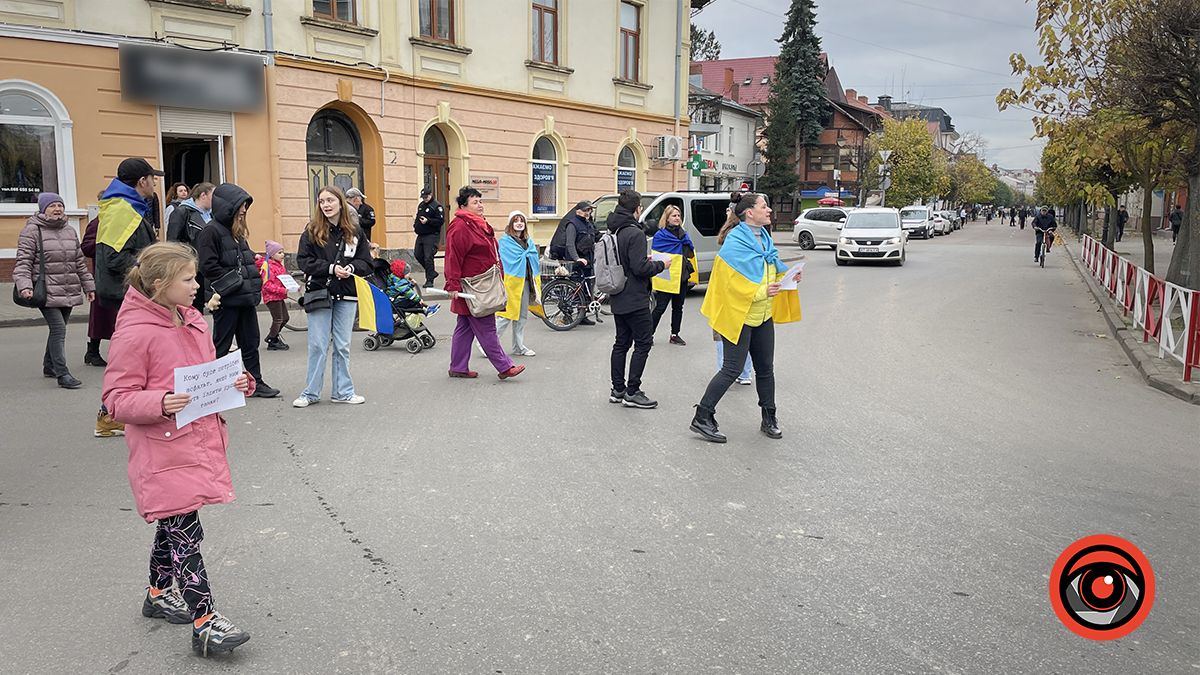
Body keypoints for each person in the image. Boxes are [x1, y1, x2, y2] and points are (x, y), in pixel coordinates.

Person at [102, 242, 253, 657]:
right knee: (186, 532)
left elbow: (206, 376)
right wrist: (159, 402)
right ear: (158, 283)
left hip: (197, 441)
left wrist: (238, 383)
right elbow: (115, 399)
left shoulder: (192, 321)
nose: (196, 285)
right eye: (187, 278)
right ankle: (206, 622)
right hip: (162, 450)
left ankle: (156, 594)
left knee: (174, 525)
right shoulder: (134, 333)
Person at [690, 193, 802, 443]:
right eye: (764, 206)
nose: (770, 210)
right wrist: (764, 290)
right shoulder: (735, 242)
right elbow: (729, 285)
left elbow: (768, 268)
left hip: (763, 315)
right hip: (739, 315)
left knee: (765, 369)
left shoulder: (763, 237)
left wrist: (787, 277)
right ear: (749, 212)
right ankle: (702, 416)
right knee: (731, 369)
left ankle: (769, 418)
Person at [94, 157, 164, 438]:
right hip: (127, 294)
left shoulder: (128, 206)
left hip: (131, 292)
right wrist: (150, 270)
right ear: (141, 182)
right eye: (152, 178)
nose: (155, 183)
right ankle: (109, 415)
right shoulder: (123, 210)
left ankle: (117, 413)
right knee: (131, 358)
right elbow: (114, 258)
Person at [194, 184, 279, 399]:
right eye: (240, 206)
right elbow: (207, 265)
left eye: (245, 206)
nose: (243, 210)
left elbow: (242, 256)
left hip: (245, 298)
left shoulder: (237, 232)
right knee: (221, 344)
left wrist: (254, 260)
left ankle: (255, 382)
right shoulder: (210, 231)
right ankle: (216, 386)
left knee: (250, 342)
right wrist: (236, 279)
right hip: (227, 297)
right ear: (227, 207)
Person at [294, 186, 374, 407]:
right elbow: (303, 261)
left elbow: (367, 262)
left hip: (346, 294)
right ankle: (310, 393)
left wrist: (350, 268)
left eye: (330, 200)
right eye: (321, 201)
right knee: (318, 345)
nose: (326, 205)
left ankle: (343, 391)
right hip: (320, 292)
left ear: (340, 203)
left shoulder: (355, 232)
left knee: (343, 345)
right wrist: (331, 268)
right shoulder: (311, 230)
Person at [14, 192, 95, 389]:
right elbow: (23, 262)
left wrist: (89, 286)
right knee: (58, 329)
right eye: (52, 206)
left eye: (60, 205)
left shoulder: (69, 230)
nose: (57, 209)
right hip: (45, 290)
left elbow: (79, 262)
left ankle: (49, 365)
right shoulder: (32, 231)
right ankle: (62, 373)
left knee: (58, 329)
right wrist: (24, 286)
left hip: (69, 287)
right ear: (43, 209)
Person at [443, 186, 525, 380]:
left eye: (481, 201)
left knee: (464, 326)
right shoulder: (460, 226)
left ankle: (458, 367)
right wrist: (453, 285)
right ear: (464, 206)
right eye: (475, 202)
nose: (480, 205)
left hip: (482, 282)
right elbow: (453, 257)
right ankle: (505, 367)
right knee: (487, 328)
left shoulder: (477, 224)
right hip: (474, 287)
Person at [606, 190, 666, 409]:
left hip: (617, 292)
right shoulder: (635, 232)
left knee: (621, 343)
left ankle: (617, 389)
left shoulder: (614, 229)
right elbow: (639, 268)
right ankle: (632, 391)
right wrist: (660, 265)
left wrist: (642, 259)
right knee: (643, 343)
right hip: (635, 297)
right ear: (637, 208)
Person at [494, 210, 541, 357]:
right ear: (511, 224)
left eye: (522, 220)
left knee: (522, 316)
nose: (519, 223)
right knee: (507, 315)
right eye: (516, 220)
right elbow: (506, 262)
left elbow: (533, 258)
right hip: (511, 283)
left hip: (527, 282)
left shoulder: (529, 241)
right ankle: (488, 344)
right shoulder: (505, 241)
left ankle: (518, 347)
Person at [80, 201, 118, 371]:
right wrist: (104, 244)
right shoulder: (97, 223)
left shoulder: (124, 221)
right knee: (101, 315)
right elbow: (86, 247)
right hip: (103, 275)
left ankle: (119, 354)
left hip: (121, 275)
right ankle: (92, 351)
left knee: (119, 318)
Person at [649, 204, 695, 346]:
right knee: (660, 307)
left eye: (678, 215)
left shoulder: (683, 234)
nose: (677, 218)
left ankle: (675, 334)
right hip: (667, 275)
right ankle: (648, 334)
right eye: (674, 216)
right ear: (667, 218)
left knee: (678, 307)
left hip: (681, 274)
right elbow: (657, 255)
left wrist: (686, 244)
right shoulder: (660, 235)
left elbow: (689, 252)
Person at [549, 200, 599, 325]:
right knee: (575, 288)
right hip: (576, 261)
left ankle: (582, 316)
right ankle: (568, 315)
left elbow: (595, 237)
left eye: (590, 210)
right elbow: (570, 244)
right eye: (586, 210)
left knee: (586, 286)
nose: (588, 212)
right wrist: (577, 259)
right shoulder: (572, 224)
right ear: (578, 211)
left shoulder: (588, 224)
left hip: (587, 260)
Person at [257, 240, 290, 351]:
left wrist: (292, 285)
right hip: (272, 297)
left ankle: (272, 336)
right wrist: (282, 290)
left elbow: (284, 279)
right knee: (278, 319)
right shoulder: (268, 267)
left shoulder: (279, 266)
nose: (283, 255)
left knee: (285, 318)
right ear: (272, 255)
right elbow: (266, 285)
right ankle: (272, 340)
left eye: (283, 252)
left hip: (279, 296)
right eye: (279, 252)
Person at [413, 187, 445, 288]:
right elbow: (419, 216)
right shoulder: (422, 205)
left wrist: (428, 221)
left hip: (431, 235)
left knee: (428, 257)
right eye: (423, 197)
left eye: (426, 197)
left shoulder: (436, 206)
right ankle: (431, 272)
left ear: (431, 195)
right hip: (421, 234)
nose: (425, 199)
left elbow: (440, 221)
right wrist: (416, 224)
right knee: (418, 254)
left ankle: (429, 280)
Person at [166, 182, 214, 248]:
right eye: (213, 196)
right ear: (203, 195)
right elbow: (172, 241)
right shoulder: (181, 212)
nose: (215, 199)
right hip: (191, 255)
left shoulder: (212, 214)